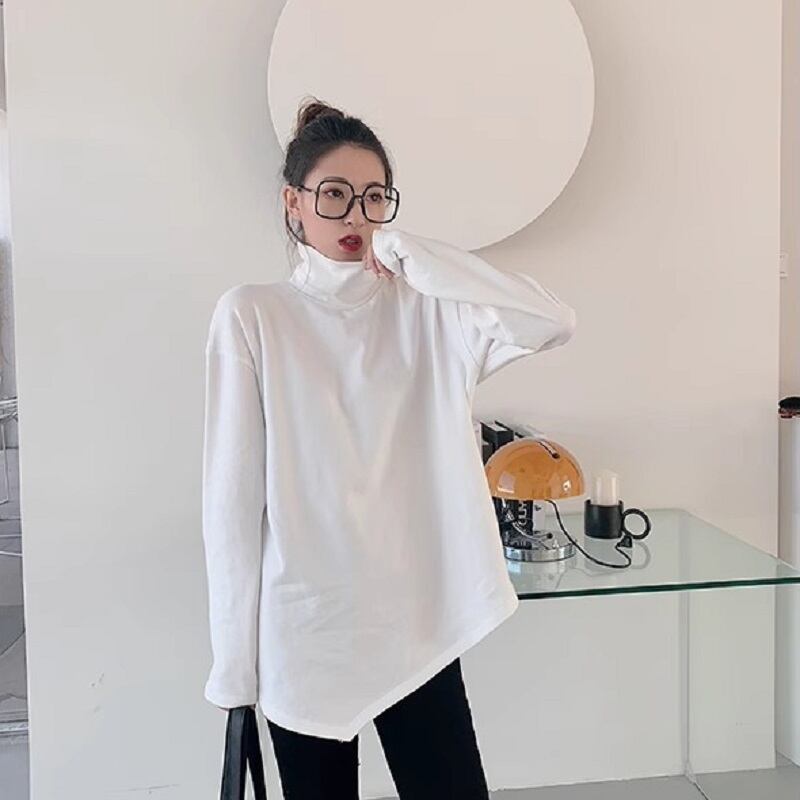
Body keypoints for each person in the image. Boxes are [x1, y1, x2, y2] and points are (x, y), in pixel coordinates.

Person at [201, 96, 577, 799]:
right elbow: (232, 504)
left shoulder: (427, 308)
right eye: (335, 195)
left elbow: (552, 322)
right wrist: (234, 669)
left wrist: (424, 259)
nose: (356, 216)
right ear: (293, 202)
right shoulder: (254, 315)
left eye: (374, 198)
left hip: (417, 623)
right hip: (307, 632)